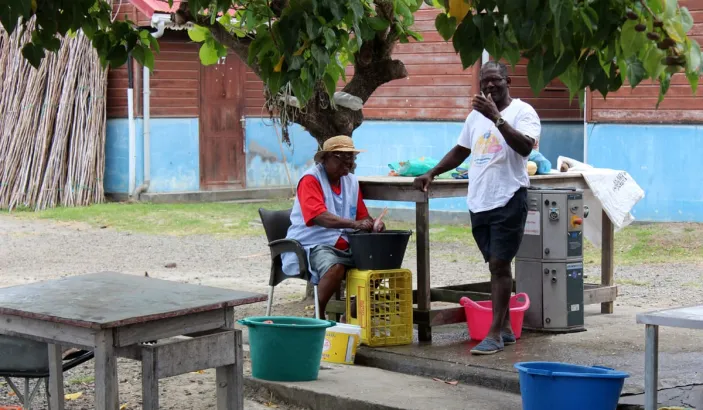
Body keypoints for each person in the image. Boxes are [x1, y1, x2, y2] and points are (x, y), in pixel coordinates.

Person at [413, 61, 541, 355]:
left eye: (496, 80)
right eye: (485, 82)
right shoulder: (475, 116)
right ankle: (506, 327)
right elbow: (461, 150)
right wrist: (432, 173)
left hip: (509, 196)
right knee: (497, 264)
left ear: (508, 80)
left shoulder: (522, 112)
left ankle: (494, 333)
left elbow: (524, 147)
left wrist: (496, 118)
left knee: (498, 264)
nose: (490, 86)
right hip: (480, 200)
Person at [282, 135, 385, 318]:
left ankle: (351, 314)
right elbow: (319, 217)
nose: (349, 163)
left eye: (351, 158)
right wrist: (355, 224)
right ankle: (318, 316)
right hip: (313, 242)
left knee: (381, 260)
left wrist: (373, 224)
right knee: (335, 267)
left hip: (344, 241)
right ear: (327, 158)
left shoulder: (351, 181)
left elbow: (362, 216)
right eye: (343, 158)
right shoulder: (310, 179)